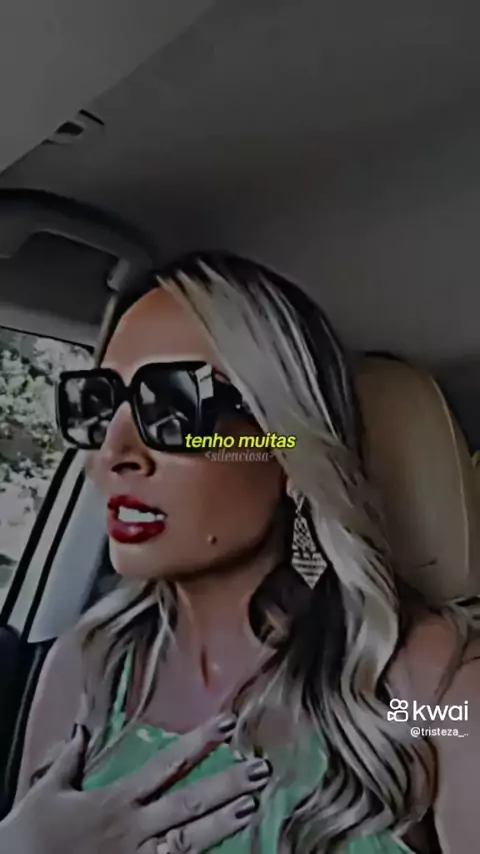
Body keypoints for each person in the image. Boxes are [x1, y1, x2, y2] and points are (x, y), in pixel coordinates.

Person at [13, 252, 480, 852]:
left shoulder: (426, 690)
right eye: (98, 405)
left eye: (174, 408)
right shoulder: (85, 670)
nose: (113, 451)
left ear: (286, 451)